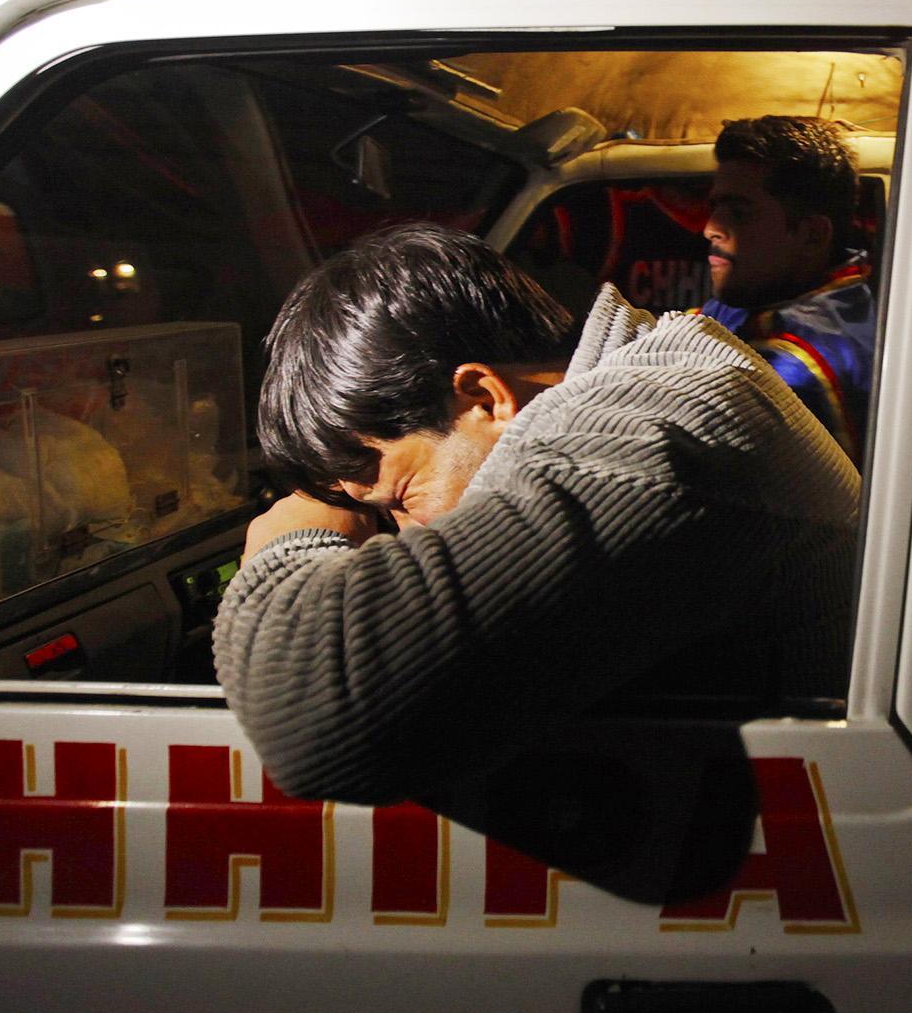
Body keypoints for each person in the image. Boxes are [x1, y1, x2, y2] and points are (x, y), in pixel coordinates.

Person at [213, 223, 860, 804]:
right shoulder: (659, 382)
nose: (399, 538)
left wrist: (291, 544)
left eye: (402, 500)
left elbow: (321, 719)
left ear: (485, 398)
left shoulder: (645, 431)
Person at [696, 116, 877, 464]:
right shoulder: (771, 289)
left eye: (738, 212)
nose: (710, 229)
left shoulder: (797, 365)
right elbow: (694, 326)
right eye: (714, 207)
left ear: (812, 235)